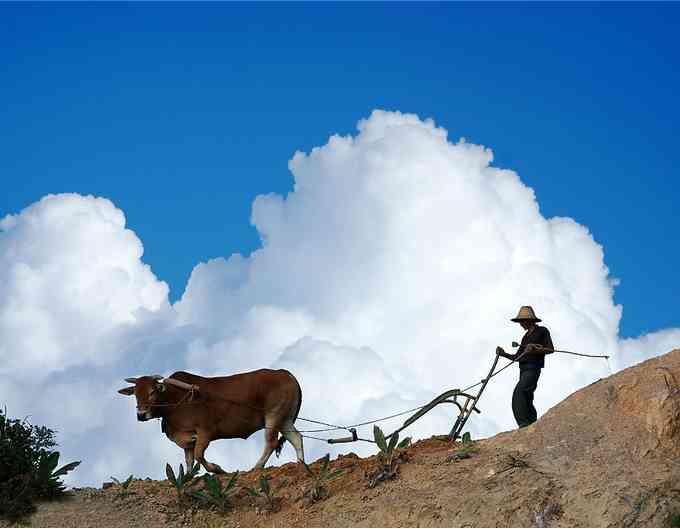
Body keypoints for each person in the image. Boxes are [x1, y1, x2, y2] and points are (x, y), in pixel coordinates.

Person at [496, 306, 553, 428]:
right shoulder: (525, 337)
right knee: (527, 395)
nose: (521, 324)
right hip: (523, 369)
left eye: (522, 321)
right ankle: (532, 422)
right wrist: (503, 353)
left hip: (533, 368)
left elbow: (550, 349)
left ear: (529, 320)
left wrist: (534, 349)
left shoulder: (542, 331)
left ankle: (524, 423)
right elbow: (517, 357)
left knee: (519, 392)